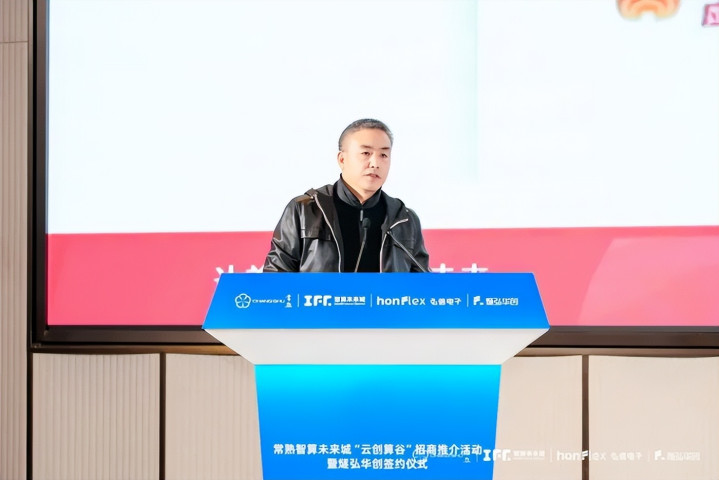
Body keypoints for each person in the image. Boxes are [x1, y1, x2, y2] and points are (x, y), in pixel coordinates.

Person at [263, 118, 430, 272]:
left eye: (383, 155)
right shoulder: (304, 210)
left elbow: (424, 285)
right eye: (366, 153)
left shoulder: (404, 219)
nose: (375, 163)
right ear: (342, 159)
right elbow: (276, 277)